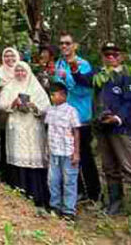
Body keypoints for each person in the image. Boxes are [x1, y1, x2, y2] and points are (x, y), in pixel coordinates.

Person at [94, 42, 131, 230]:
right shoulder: (100, 75)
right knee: (109, 167)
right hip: (102, 127)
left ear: (121, 56)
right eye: (107, 54)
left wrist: (117, 118)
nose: (111, 58)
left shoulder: (127, 74)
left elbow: (130, 101)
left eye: (114, 54)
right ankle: (115, 204)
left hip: (121, 128)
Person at [53, 32, 100, 203]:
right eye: (61, 43)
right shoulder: (59, 64)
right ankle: (77, 191)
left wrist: (70, 77)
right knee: (68, 155)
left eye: (67, 43)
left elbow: (85, 88)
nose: (64, 46)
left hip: (80, 116)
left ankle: (94, 193)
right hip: (63, 116)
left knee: (84, 155)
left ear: (74, 46)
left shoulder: (83, 64)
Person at [0, 61, 49, 208]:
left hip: (33, 126)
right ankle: (19, 193)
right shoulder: (10, 86)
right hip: (16, 125)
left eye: (23, 71)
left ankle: (36, 195)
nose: (20, 73)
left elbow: (46, 106)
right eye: (17, 71)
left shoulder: (36, 87)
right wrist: (13, 103)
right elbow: (1, 104)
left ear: (28, 72)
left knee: (33, 157)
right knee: (17, 157)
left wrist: (34, 106)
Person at [44, 82, 81, 220]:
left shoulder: (71, 111)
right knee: (53, 180)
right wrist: (47, 149)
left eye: (55, 95)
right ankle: (55, 206)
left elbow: (76, 132)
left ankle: (69, 210)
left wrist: (76, 153)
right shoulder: (50, 110)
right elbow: (48, 130)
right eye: (51, 95)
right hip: (54, 151)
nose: (52, 97)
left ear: (64, 95)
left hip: (68, 152)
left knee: (69, 181)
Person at [0, 46, 18, 186]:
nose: (9, 58)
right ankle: (5, 172)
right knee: (4, 141)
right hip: (4, 113)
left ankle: (16, 172)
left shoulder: (21, 69)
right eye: (6, 56)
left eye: (12, 56)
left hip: (20, 114)